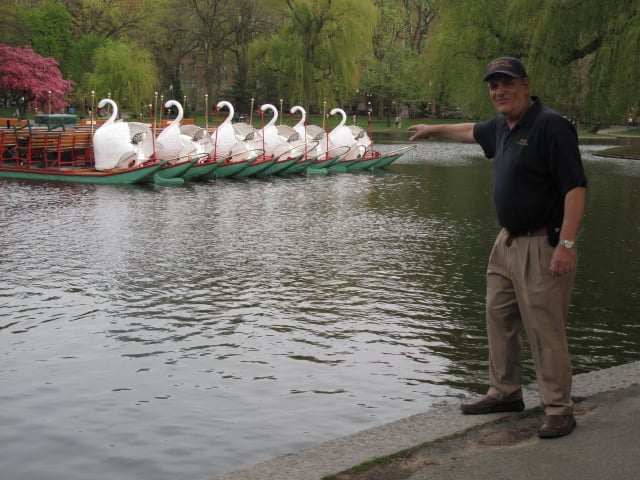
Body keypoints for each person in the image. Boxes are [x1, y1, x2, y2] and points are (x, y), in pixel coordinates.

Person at [409, 57, 587, 439]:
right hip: (506, 242)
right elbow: (470, 131)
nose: (499, 92)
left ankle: (559, 408)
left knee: (544, 329)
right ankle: (505, 393)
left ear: (525, 85)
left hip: (542, 243)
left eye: (506, 84)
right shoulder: (504, 126)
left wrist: (567, 244)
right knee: (499, 318)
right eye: (493, 86)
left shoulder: (550, 126)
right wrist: (432, 129)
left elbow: (575, 188)